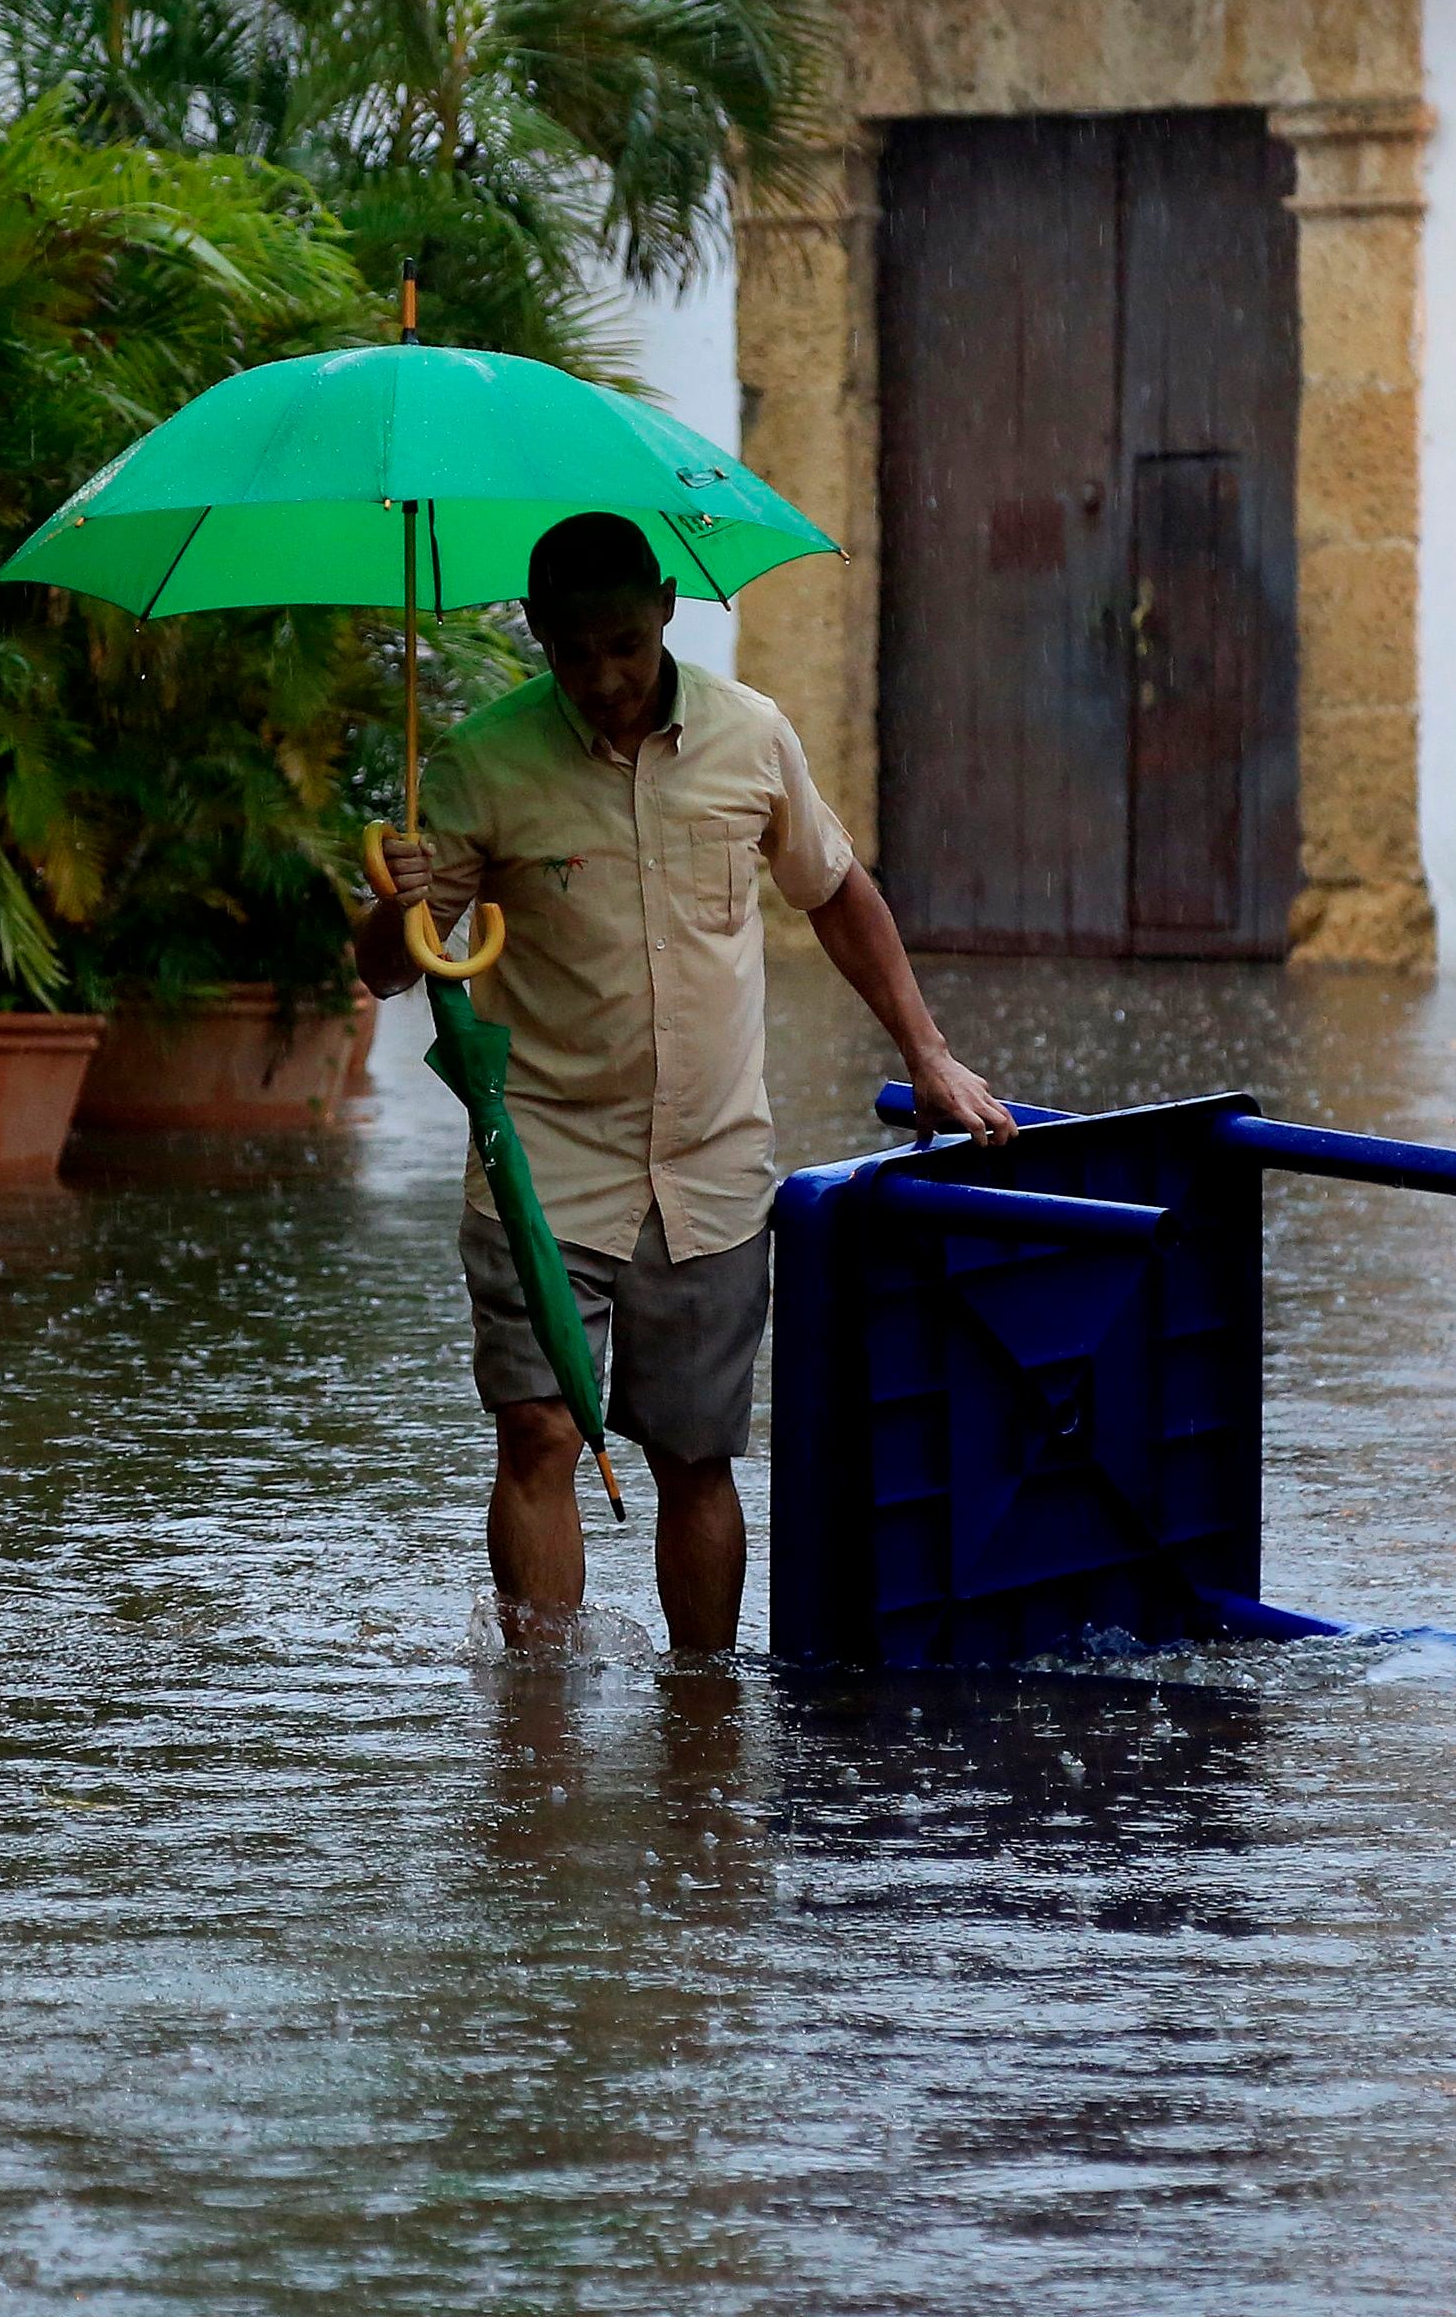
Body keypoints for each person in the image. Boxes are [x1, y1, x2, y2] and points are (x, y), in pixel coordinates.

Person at [359, 511, 1011, 1657]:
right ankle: (540, 1730)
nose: (604, 676)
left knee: (696, 1453)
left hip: (709, 1165)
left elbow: (836, 890)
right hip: (543, 1161)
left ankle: (702, 1718)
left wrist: (927, 1053)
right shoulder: (480, 763)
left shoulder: (751, 735)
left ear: (667, 605)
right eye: (573, 651)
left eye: (623, 640)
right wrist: (391, 903)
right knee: (539, 1430)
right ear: (537, 635)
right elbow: (387, 970)